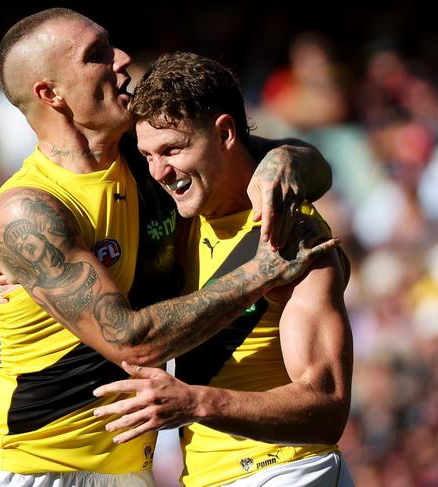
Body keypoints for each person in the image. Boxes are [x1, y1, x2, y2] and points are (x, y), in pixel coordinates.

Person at [0, 8, 337, 487]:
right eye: (96, 56)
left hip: (125, 471)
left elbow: (311, 165)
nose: (122, 59)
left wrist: (284, 159)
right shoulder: (29, 211)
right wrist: (260, 273)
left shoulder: (153, 161)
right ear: (49, 93)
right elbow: (130, 343)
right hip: (29, 465)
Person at [93, 52, 354, 487]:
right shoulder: (181, 218)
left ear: (226, 133)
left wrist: (196, 403)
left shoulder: (294, 235)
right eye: (148, 155)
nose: (159, 171)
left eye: (173, 149)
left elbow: (326, 408)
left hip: (288, 472)